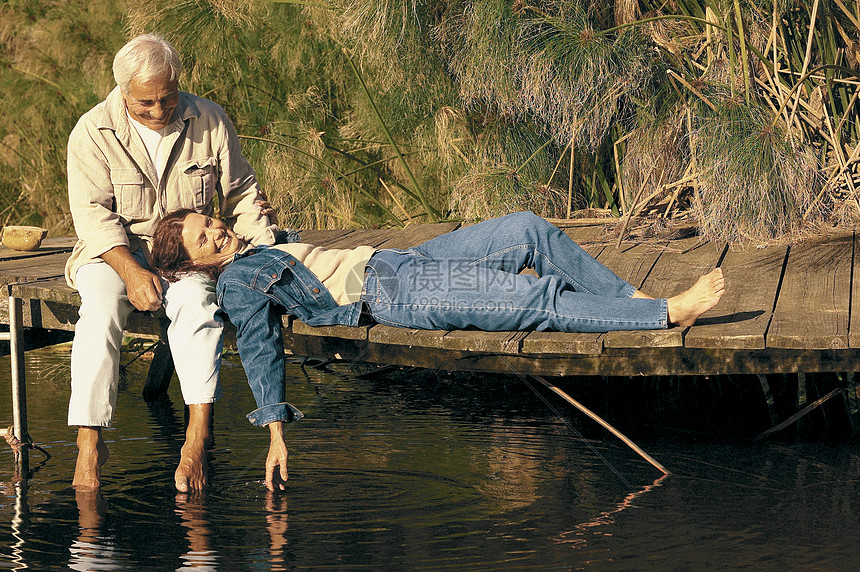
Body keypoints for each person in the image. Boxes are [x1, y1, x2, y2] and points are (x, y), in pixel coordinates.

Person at [151, 209, 725, 490]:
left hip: (403, 260)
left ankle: (629, 299)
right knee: (530, 299)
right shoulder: (235, 283)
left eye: (210, 222)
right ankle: (666, 312)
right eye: (204, 238)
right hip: (395, 291)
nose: (217, 230)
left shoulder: (250, 247)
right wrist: (276, 434)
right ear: (193, 266)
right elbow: (258, 348)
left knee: (529, 229)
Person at [65, 33, 281, 492]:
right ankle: (89, 442)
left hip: (188, 257)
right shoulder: (91, 131)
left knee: (197, 303)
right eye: (146, 103)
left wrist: (263, 254)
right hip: (115, 250)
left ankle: (197, 436)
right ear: (123, 90)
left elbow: (242, 193)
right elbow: (92, 216)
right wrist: (130, 270)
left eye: (167, 97)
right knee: (100, 309)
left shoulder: (209, 118)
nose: (159, 110)